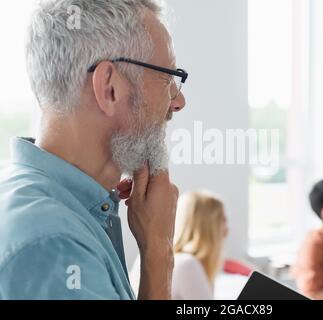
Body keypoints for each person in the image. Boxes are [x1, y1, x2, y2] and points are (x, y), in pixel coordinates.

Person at [0, 0, 186, 299]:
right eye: (167, 78)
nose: (178, 101)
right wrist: (158, 253)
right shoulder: (54, 245)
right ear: (109, 87)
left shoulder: (47, 206)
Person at [172, 191, 229, 299]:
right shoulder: (188, 265)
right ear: (209, 228)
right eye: (223, 220)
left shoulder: (172, 259)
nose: (226, 231)